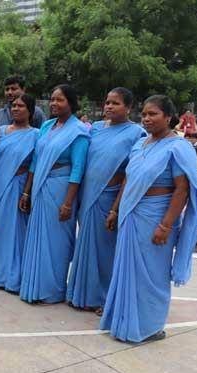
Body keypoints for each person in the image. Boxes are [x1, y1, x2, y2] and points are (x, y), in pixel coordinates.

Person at [100, 95, 197, 342]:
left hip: (156, 216)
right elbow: (128, 179)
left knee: (152, 274)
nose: (146, 118)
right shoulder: (140, 144)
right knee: (128, 269)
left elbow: (182, 189)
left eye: (153, 114)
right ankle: (124, 321)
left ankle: (151, 326)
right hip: (130, 214)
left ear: (168, 117)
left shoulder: (179, 147)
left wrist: (166, 225)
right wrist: (115, 210)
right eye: (144, 114)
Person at [66, 88, 146, 314]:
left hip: (109, 197)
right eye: (107, 102)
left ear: (128, 107)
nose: (109, 106)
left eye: (116, 103)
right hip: (88, 194)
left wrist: (116, 208)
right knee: (86, 245)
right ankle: (82, 294)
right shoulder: (96, 128)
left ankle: (105, 298)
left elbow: (131, 174)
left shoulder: (136, 134)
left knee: (105, 250)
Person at [18, 84, 90, 304]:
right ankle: (35, 287)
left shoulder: (79, 131)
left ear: (71, 102)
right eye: (52, 99)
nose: (54, 103)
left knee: (56, 241)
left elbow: (78, 169)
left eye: (60, 99)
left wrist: (68, 203)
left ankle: (53, 290)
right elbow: (36, 161)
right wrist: (26, 192)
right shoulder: (47, 125)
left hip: (61, 189)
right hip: (40, 186)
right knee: (38, 238)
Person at [0, 94, 38, 294]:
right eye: (13, 105)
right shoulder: (0, 131)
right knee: (1, 228)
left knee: (17, 230)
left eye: (21, 106)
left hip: (18, 185)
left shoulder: (36, 135)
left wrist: (27, 192)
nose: (15, 108)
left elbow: (34, 166)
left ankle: (14, 277)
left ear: (30, 110)